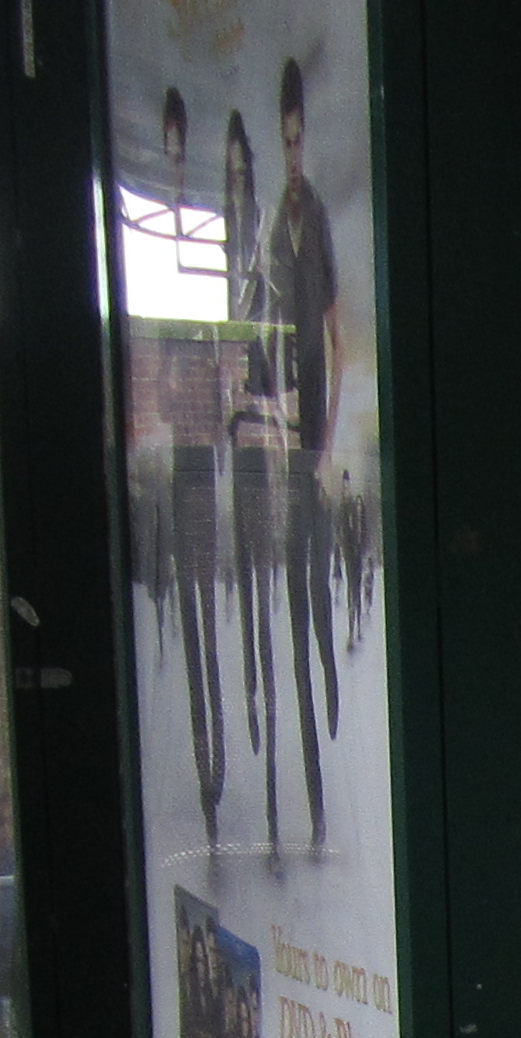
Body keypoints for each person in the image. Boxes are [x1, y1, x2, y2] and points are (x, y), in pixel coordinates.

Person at [264, 58, 341, 843]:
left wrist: (321, 453)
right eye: (283, 140)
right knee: (283, 611)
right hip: (276, 450)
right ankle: (296, 793)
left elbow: (335, 338)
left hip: (308, 450)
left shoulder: (312, 216)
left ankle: (323, 784)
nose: (292, 154)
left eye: (297, 140)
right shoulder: (266, 230)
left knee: (313, 604)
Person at [154, 87, 225, 826]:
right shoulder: (151, 253)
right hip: (186, 479)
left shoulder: (221, 250)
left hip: (218, 477)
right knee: (198, 634)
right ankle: (209, 774)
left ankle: (218, 772)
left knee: (217, 638)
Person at [220, 109, 283, 841]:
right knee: (255, 658)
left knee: (282, 653)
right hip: (249, 483)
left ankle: (275, 801)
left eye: (245, 177)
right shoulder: (239, 289)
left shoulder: (266, 285)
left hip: (280, 486)